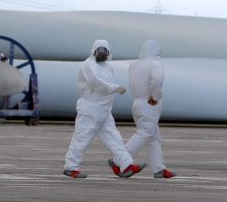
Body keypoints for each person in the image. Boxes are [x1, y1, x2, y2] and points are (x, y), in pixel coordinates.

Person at [63, 40, 146, 178]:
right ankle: (71, 167)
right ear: (93, 51)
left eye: (104, 50)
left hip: (105, 110)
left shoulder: (108, 66)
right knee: (82, 139)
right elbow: (95, 83)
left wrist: (113, 89)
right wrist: (115, 88)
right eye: (99, 50)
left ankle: (125, 165)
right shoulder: (87, 65)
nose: (102, 53)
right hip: (90, 110)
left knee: (115, 139)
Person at [111, 40, 176, 179]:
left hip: (137, 102)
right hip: (149, 102)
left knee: (153, 136)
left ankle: (159, 168)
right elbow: (157, 80)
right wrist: (155, 96)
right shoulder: (155, 64)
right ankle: (119, 161)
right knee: (145, 133)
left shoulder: (134, 65)